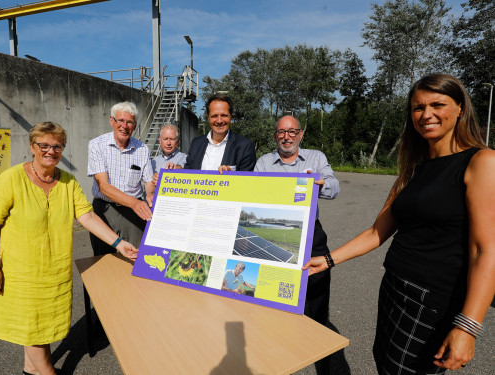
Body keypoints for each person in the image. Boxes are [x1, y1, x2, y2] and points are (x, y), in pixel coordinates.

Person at [303, 73, 495, 374]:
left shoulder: (481, 162)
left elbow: (486, 251)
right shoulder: (413, 170)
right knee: (384, 363)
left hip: (433, 302)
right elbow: (376, 232)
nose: (426, 114)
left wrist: (468, 326)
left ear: (460, 108)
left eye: (437, 105)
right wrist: (327, 260)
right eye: (418, 108)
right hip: (393, 288)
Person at [0, 122, 138, 375]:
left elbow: (88, 217)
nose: (51, 151)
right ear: (32, 147)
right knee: (34, 331)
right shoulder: (11, 178)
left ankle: (31, 370)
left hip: (54, 272)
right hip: (21, 273)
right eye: (44, 145)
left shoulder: (68, 182)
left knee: (43, 329)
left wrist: (119, 243)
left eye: (57, 146)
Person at [255, 115, 339, 375]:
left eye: (292, 132)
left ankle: (321, 357)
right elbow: (252, 193)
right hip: (273, 232)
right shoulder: (264, 162)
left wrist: (318, 182)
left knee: (316, 303)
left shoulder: (316, 158)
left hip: (311, 235)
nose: (287, 136)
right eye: (281, 132)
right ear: (275, 136)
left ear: (300, 135)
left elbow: (334, 187)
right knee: (274, 302)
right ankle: (278, 360)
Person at [88, 101, 155, 256]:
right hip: (105, 210)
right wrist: (136, 203)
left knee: (134, 256)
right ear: (112, 121)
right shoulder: (97, 145)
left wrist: (150, 194)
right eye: (121, 120)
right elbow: (103, 186)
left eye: (130, 122)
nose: (125, 126)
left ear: (135, 125)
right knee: (103, 260)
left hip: (133, 214)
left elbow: (149, 181)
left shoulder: (142, 149)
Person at [184, 94, 256, 172]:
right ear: (208, 116)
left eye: (224, 115)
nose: (219, 121)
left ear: (231, 115)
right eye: (214, 116)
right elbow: (187, 175)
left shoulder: (245, 147)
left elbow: (246, 181)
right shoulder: (196, 144)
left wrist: (232, 176)